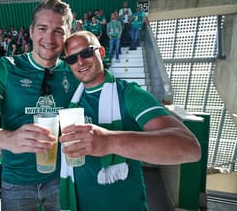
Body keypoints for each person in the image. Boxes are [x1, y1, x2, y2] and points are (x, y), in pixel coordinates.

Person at [59, 31, 201, 211]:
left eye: (86, 53)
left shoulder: (129, 94)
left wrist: (108, 141)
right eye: (71, 59)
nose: (80, 61)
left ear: (101, 52)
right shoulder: (70, 98)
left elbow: (190, 148)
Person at [0, 0, 78, 211]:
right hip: (16, 182)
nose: (49, 38)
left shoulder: (74, 72)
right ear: (31, 31)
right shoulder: (6, 68)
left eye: (59, 31)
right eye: (42, 28)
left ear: (67, 35)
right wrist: (9, 139)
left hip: (63, 178)